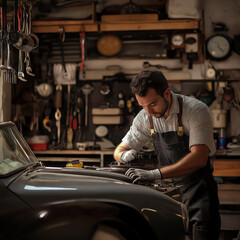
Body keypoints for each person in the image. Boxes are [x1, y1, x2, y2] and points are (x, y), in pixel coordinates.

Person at [114, 70, 221, 240]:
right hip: (168, 193)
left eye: (153, 104)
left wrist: (154, 174)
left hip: (198, 192)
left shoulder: (195, 110)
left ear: (166, 93)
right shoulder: (145, 118)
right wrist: (124, 156)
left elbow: (199, 157)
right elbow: (118, 150)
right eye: (143, 106)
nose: (148, 111)